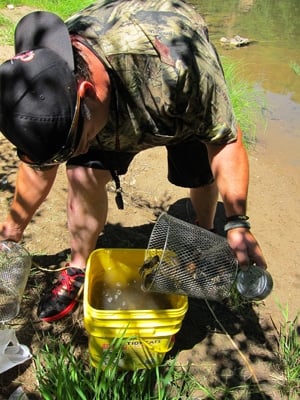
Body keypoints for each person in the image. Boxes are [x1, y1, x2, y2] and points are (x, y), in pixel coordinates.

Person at [0, 0, 267, 323]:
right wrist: (10, 234)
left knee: (198, 173)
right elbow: (38, 168)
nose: (63, 160)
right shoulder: (48, 86)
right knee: (83, 174)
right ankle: (78, 267)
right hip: (98, 110)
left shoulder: (179, 67)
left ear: (85, 93)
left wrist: (237, 223)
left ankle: (202, 233)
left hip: (165, 92)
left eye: (66, 149)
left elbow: (223, 139)